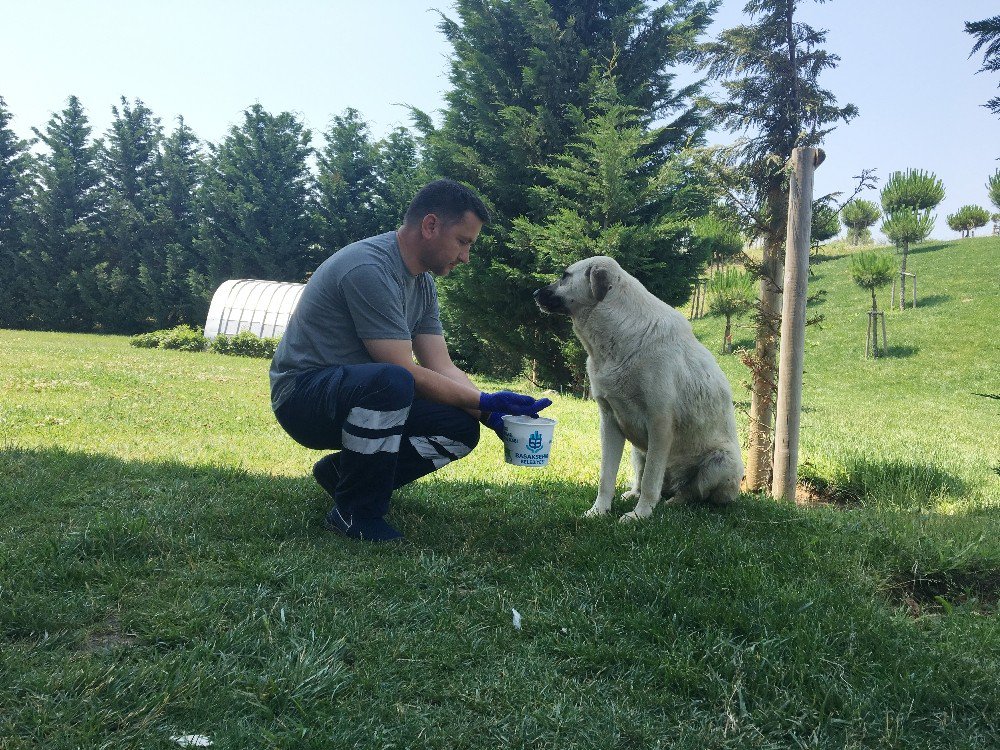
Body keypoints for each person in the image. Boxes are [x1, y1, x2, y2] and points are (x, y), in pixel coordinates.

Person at [270, 179, 552, 543]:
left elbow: (442, 366)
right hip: (303, 398)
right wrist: (482, 402)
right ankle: (355, 512)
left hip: (356, 395)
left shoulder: (421, 283)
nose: (466, 256)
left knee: (460, 428)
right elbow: (403, 372)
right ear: (431, 225)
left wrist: (489, 414)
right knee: (392, 381)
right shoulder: (368, 268)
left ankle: (342, 475)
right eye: (463, 242)